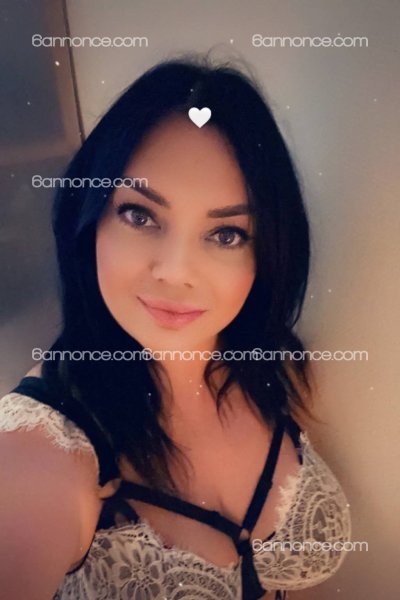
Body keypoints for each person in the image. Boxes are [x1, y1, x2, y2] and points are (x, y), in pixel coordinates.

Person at [0, 56, 351, 599]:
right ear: (89, 218)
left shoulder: (271, 366)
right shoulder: (36, 455)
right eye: (140, 215)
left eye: (227, 234)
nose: (176, 272)